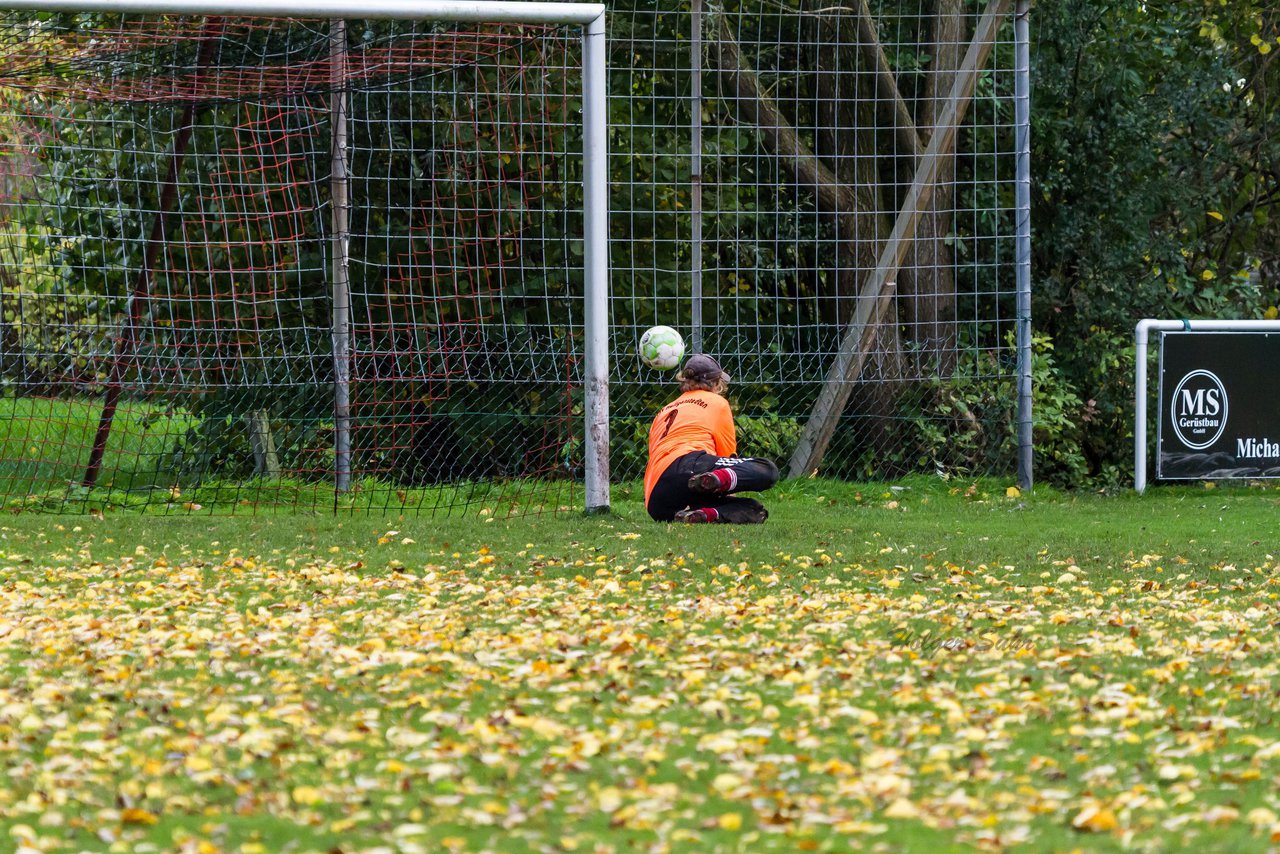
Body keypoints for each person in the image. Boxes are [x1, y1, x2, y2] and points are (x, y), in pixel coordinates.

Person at [644, 354, 779, 523]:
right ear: (716, 383)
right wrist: (726, 487)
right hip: (690, 463)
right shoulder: (716, 402)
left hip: (657, 501)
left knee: (754, 510)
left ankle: (703, 514)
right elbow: (727, 455)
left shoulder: (664, 411)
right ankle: (713, 482)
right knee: (767, 469)